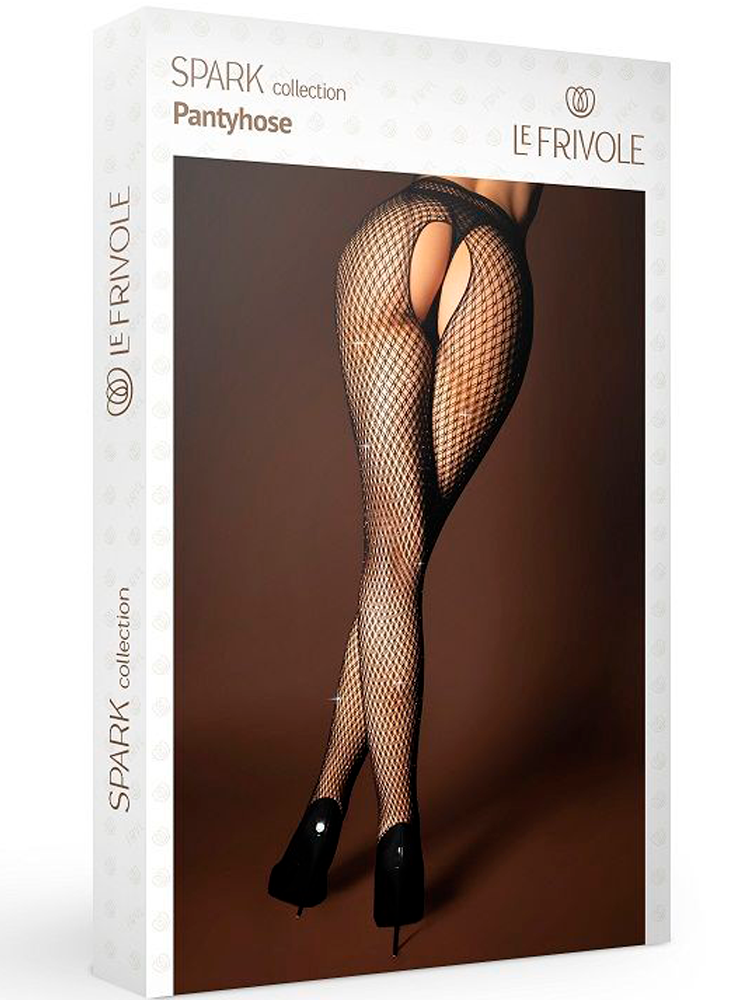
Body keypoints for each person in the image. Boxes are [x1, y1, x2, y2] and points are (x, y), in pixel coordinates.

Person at [269, 173, 542, 957]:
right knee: (401, 562)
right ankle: (362, 826)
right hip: (496, 261)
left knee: (390, 554)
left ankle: (349, 821)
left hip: (403, 231)